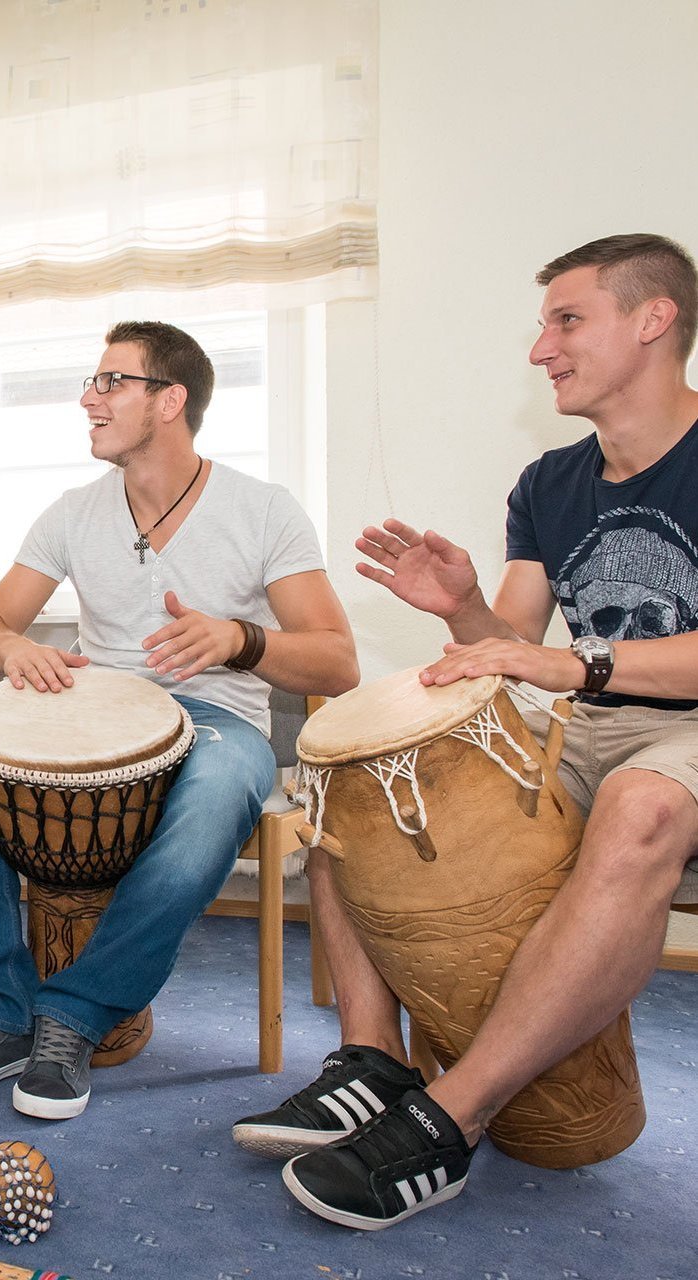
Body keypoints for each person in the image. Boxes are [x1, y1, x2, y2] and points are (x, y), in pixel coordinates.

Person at [239, 233, 698, 1230]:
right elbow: (512, 645)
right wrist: (459, 607)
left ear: (651, 320)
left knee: (642, 803)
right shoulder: (548, 482)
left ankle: (449, 1114)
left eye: (564, 319)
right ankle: (370, 1060)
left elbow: (565, 664)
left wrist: (578, 667)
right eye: (543, 325)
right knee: (343, 778)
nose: (540, 348)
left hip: (681, 736)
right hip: (589, 717)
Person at [0, 321, 359, 1121]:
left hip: (217, 717)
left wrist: (239, 639)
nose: (90, 396)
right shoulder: (73, 511)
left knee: (222, 782)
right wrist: (16, 651)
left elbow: (336, 662)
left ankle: (76, 1015)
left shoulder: (263, 511)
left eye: (112, 381)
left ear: (171, 400)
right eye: (94, 381)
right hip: (92, 712)